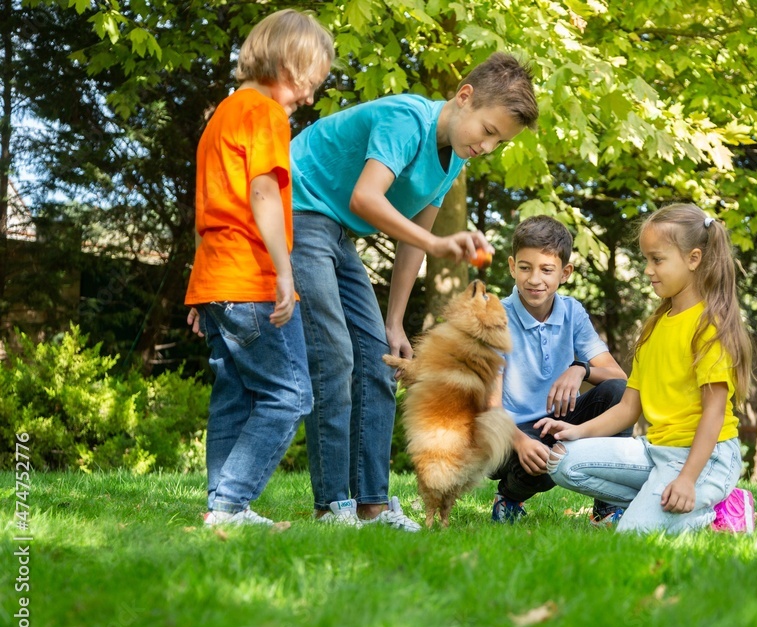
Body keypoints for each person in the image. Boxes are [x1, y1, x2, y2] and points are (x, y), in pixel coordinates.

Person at [290, 53, 538, 530]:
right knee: (337, 356)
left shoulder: (453, 162)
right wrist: (439, 242)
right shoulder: (406, 118)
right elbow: (367, 197)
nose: (488, 145)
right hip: (297, 209)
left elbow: (411, 240)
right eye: (488, 130)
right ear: (464, 97)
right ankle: (331, 506)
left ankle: (372, 504)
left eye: (500, 141)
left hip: (336, 230)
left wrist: (394, 321)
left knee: (381, 357)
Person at [184, 9, 334, 526]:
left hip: (217, 280)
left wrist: (200, 292)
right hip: (251, 279)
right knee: (291, 394)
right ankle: (229, 504)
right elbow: (262, 191)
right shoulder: (266, 114)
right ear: (287, 63)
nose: (309, 98)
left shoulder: (221, 116)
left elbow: (210, 210)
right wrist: (284, 272)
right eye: (308, 83)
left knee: (234, 394)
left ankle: (222, 508)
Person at [540, 203, 756, 534]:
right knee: (561, 460)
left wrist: (686, 479)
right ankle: (658, 503)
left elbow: (713, 414)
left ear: (693, 259)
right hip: (656, 452)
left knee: (633, 535)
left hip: (706, 459)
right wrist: (575, 432)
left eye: (657, 259)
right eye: (646, 260)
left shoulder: (708, 327)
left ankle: (718, 509)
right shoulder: (655, 327)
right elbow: (628, 408)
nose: (647, 270)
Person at [487, 215, 629, 524]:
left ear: (564, 273)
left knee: (618, 395)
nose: (534, 279)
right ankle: (509, 496)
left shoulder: (572, 312)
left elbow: (619, 377)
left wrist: (581, 369)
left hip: (559, 423)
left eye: (546, 270)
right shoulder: (495, 316)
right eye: (525, 268)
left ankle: (607, 507)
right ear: (512, 266)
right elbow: (489, 404)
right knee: (543, 456)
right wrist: (520, 441)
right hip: (507, 433)